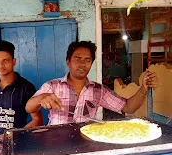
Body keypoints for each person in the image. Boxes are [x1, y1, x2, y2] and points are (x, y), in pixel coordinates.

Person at [26, 41, 158, 125]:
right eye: (77, 59)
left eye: (87, 60)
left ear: (91, 64)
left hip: (85, 145)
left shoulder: (98, 90)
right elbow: (29, 108)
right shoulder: (52, 86)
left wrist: (143, 89)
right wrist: (41, 98)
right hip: (56, 144)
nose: (82, 64)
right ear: (68, 61)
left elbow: (128, 107)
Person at [0, 40, 42, 137]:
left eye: (6, 60)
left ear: (14, 62)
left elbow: (37, 120)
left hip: (19, 144)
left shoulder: (26, 87)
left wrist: (14, 135)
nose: (1, 65)